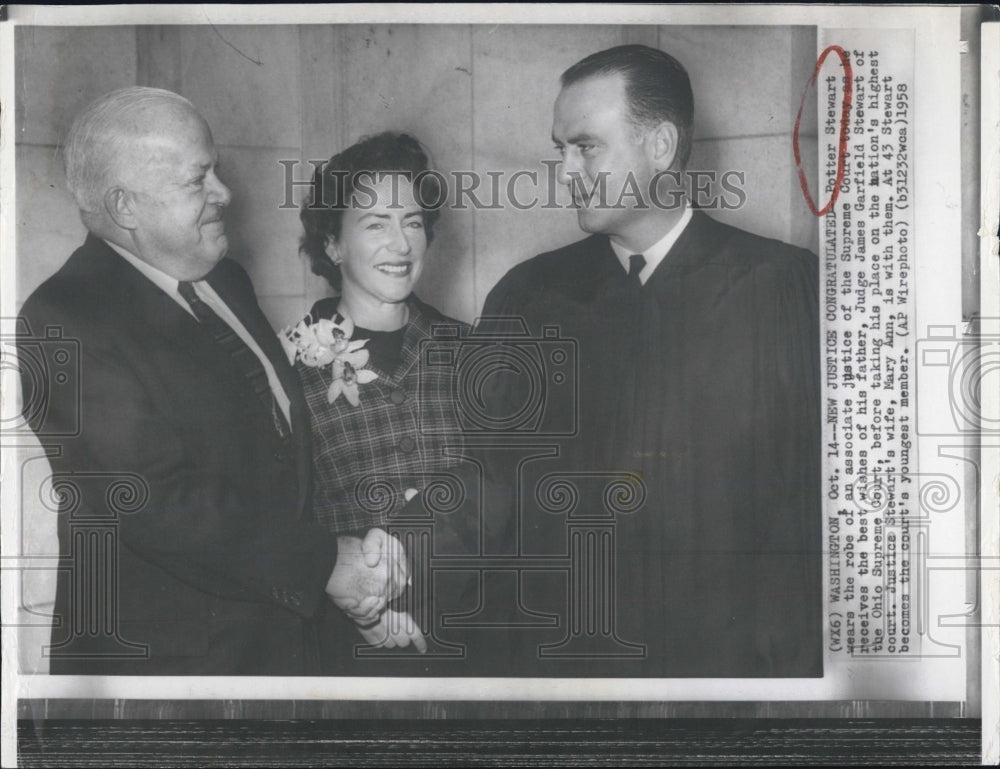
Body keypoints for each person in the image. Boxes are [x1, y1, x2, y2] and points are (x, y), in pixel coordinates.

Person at [17, 87, 407, 675]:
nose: (224, 194)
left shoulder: (226, 281)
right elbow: (157, 502)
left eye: (216, 170)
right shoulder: (65, 317)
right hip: (170, 677)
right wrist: (326, 565)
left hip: (279, 652)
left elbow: (274, 462)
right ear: (124, 206)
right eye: (198, 180)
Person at [481, 45, 823, 677]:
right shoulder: (525, 298)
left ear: (661, 145)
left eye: (586, 148)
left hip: (728, 677)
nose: (566, 174)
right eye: (560, 150)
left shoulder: (782, 287)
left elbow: (806, 519)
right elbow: (494, 499)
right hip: (564, 671)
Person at [288, 132, 475, 670]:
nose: (401, 245)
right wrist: (365, 609)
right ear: (333, 245)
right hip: (347, 641)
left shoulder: (472, 352)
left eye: (413, 222)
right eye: (375, 224)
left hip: (469, 629)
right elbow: (279, 517)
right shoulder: (285, 365)